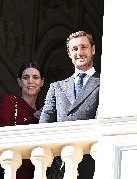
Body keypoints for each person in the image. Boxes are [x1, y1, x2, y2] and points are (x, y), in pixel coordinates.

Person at [39, 31, 99, 179]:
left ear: (93, 50)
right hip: (60, 166)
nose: (79, 52)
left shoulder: (105, 83)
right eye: (75, 49)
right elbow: (44, 126)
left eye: (84, 47)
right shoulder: (56, 87)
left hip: (92, 163)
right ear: (69, 53)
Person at [0, 61, 44, 179]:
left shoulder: (45, 114)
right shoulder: (9, 101)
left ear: (42, 82)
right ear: (19, 82)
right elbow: (1, 135)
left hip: (38, 172)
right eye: (26, 77)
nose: (30, 81)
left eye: (35, 77)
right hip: (14, 171)